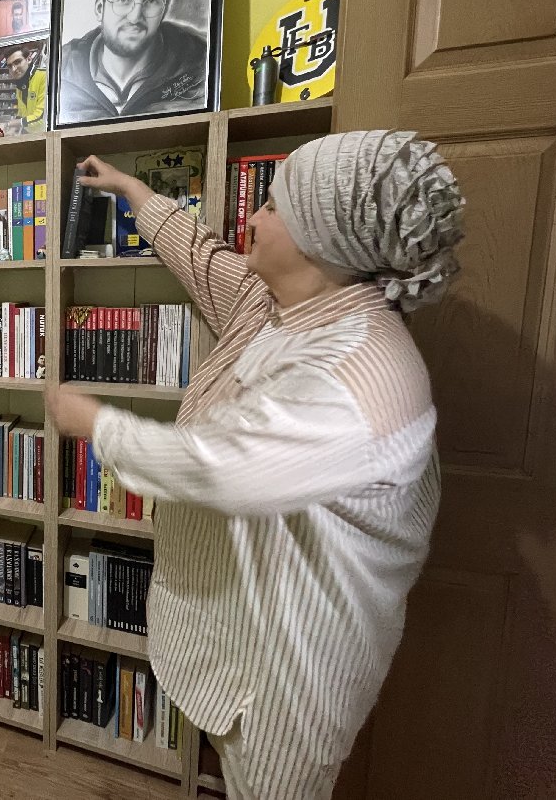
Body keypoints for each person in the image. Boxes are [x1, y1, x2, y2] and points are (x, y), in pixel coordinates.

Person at [47, 132, 466, 799]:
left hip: (291, 671)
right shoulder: (275, 303)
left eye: (272, 206)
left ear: (321, 238)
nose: (252, 217)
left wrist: (97, 424)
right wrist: (132, 190)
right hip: (232, 633)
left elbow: (223, 468)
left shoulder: (365, 374)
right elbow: (201, 257)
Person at [58, 0, 208, 123]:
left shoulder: (201, 61)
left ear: (165, 10)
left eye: (151, 1)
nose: (135, 17)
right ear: (99, 8)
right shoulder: (62, 68)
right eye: (123, 0)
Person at [4, 47, 46, 134]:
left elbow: (42, 116)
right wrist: (12, 129)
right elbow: (21, 112)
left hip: (46, 135)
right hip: (29, 134)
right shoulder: (20, 83)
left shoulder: (45, 76)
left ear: (29, 59)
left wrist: (9, 124)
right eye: (10, 66)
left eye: (17, 62)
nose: (13, 69)